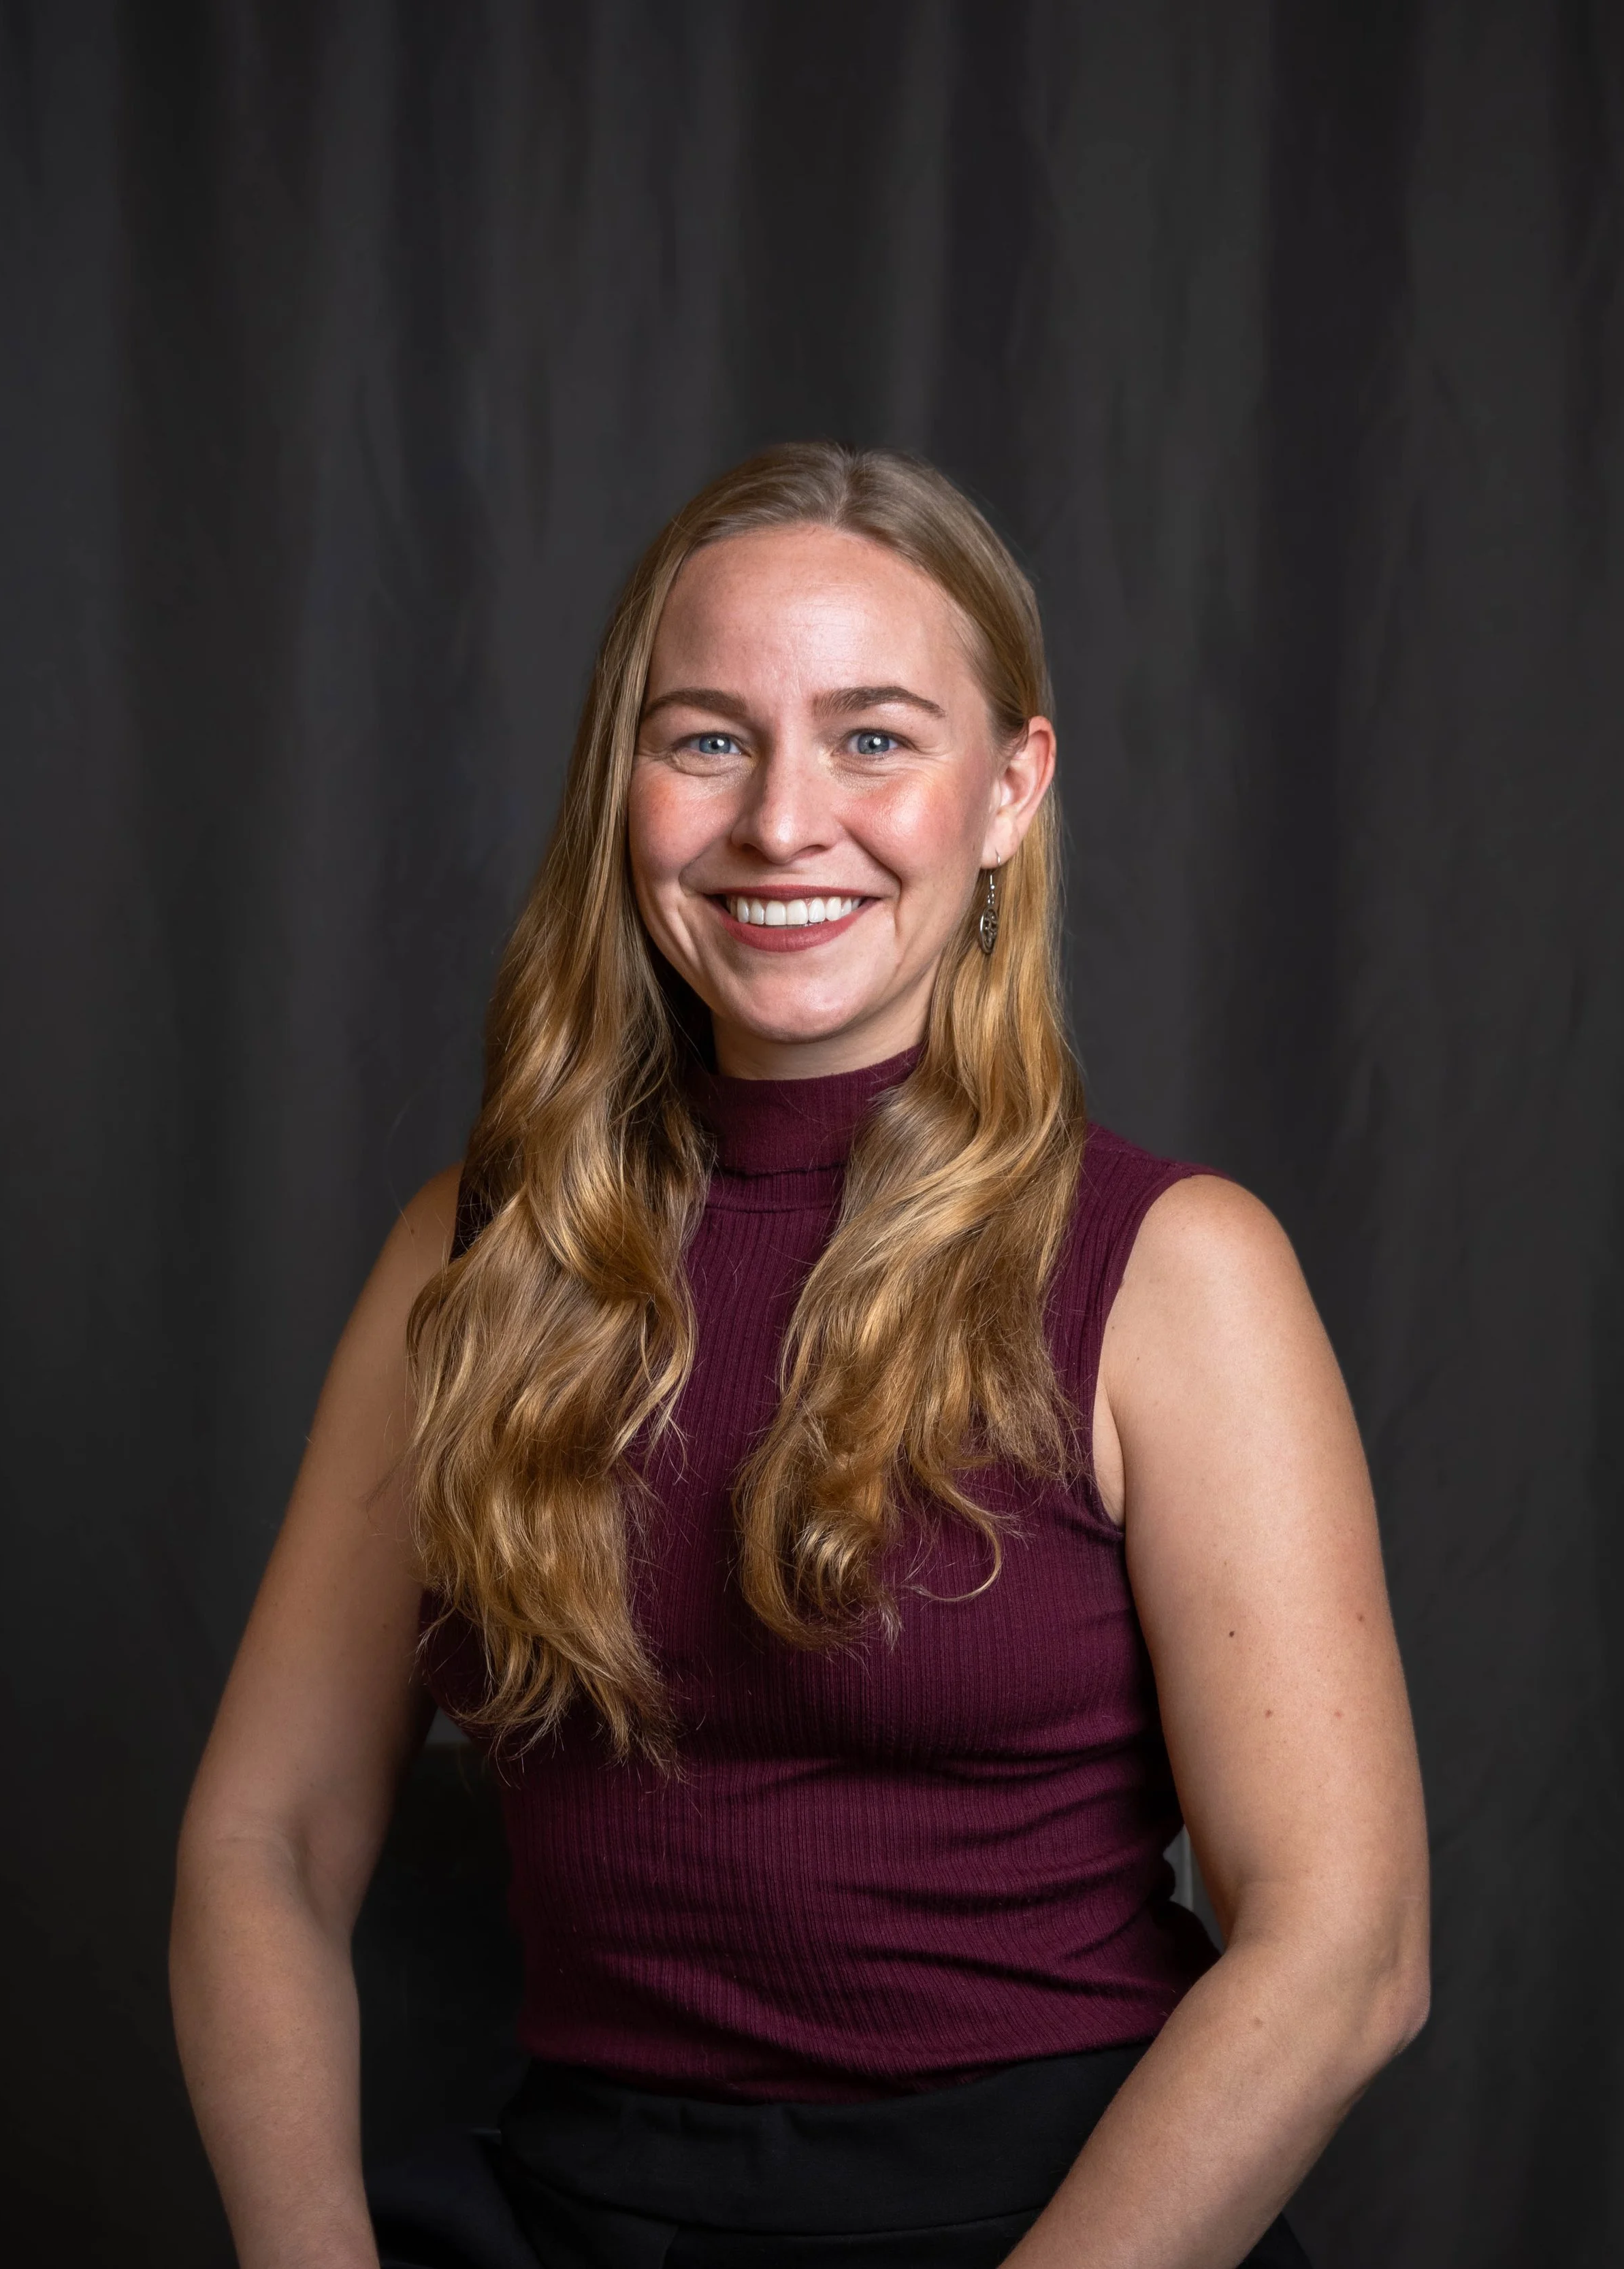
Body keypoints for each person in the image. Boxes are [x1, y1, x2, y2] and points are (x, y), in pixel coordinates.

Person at [171, 444, 1429, 2269]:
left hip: (1059, 2223)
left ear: (1008, 790)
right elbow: (264, 1835)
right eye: (703, 739)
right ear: (625, 789)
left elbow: (1346, 1945)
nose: (779, 823)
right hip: (572, 2210)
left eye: (871, 738)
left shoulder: (1170, 1270)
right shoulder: (475, 1252)